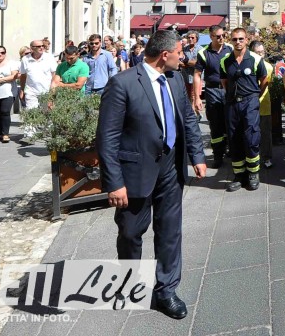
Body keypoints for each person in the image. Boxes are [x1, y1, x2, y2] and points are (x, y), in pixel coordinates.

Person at [96, 29, 207, 321]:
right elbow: (107, 137)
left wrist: (197, 155)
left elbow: (188, 119)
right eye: (179, 54)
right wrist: (114, 182)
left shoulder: (175, 79)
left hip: (171, 168)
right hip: (135, 174)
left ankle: (166, 291)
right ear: (164, 55)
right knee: (131, 232)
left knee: (170, 232)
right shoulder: (122, 84)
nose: (183, 58)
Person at [220, 28, 268, 192]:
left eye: (241, 39)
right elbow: (224, 81)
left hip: (250, 102)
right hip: (232, 104)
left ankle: (253, 173)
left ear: (247, 40)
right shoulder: (225, 61)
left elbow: (264, 80)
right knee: (234, 138)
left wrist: (255, 96)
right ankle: (239, 175)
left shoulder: (255, 59)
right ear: (230, 41)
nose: (238, 42)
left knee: (251, 136)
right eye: (234, 39)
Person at [193, 26, 232, 168]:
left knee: (230, 122)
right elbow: (197, 75)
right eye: (218, 36)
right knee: (215, 125)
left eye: (223, 35)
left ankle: (231, 150)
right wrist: (197, 97)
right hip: (212, 91)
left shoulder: (230, 49)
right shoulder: (204, 53)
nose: (222, 38)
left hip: (228, 90)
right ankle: (217, 156)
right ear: (211, 37)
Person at [250, 41, 276, 169]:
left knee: (265, 132)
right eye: (258, 52)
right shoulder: (247, 65)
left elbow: (268, 84)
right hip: (249, 104)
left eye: (262, 52)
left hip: (264, 103)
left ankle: (267, 157)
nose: (261, 55)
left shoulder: (268, 67)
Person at [18, 39, 56, 111]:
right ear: (32, 48)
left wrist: (52, 93)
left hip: (47, 92)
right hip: (31, 92)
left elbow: (54, 75)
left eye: (42, 46)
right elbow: (23, 76)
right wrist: (22, 90)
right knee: (32, 115)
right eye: (38, 46)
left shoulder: (49, 57)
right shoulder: (25, 59)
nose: (41, 48)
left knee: (47, 114)